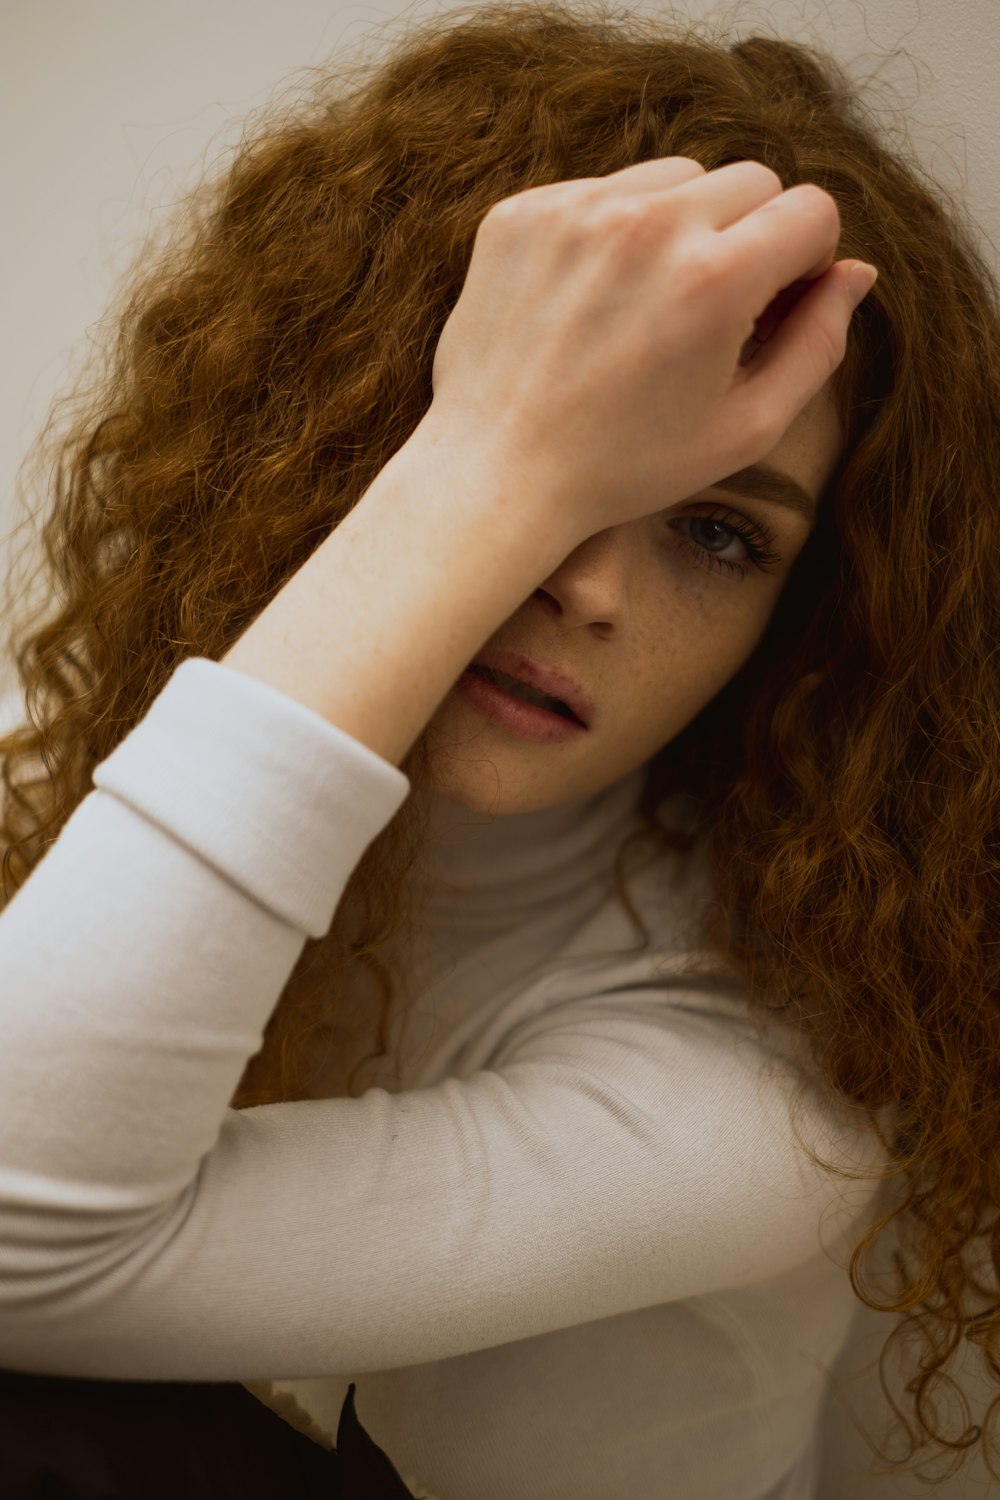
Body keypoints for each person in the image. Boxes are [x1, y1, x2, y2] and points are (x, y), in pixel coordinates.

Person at [0, 2, 996, 1497]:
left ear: (801, 619)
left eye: (718, 533)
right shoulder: (97, 773)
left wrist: (492, 467)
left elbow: (20, 1243)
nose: (584, 586)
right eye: (544, 451)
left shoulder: (757, 1099)